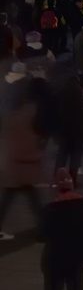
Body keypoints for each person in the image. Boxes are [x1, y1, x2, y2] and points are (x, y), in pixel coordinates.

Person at [0, 84, 45, 239]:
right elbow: (28, 142)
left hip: (14, 167)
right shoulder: (29, 114)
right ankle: (43, 231)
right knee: (33, 199)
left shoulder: (9, 116)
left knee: (10, 198)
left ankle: (43, 229)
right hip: (24, 166)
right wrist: (37, 155)